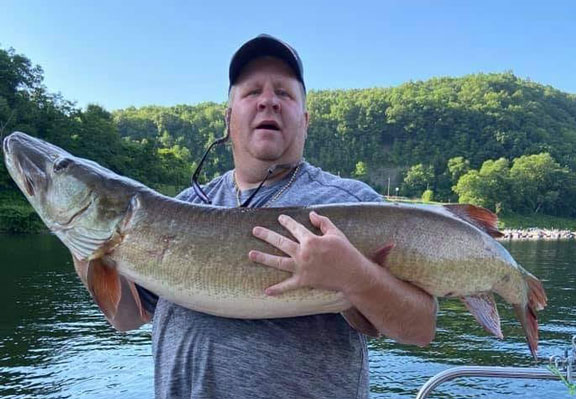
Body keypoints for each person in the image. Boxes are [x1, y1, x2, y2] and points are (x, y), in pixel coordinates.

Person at [145, 34, 437, 399]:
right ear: (228, 116)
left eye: (284, 93)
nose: (268, 101)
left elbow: (421, 327)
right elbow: (125, 315)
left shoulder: (352, 204)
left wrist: (353, 275)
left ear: (305, 119)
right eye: (252, 92)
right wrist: (84, 242)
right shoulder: (184, 206)